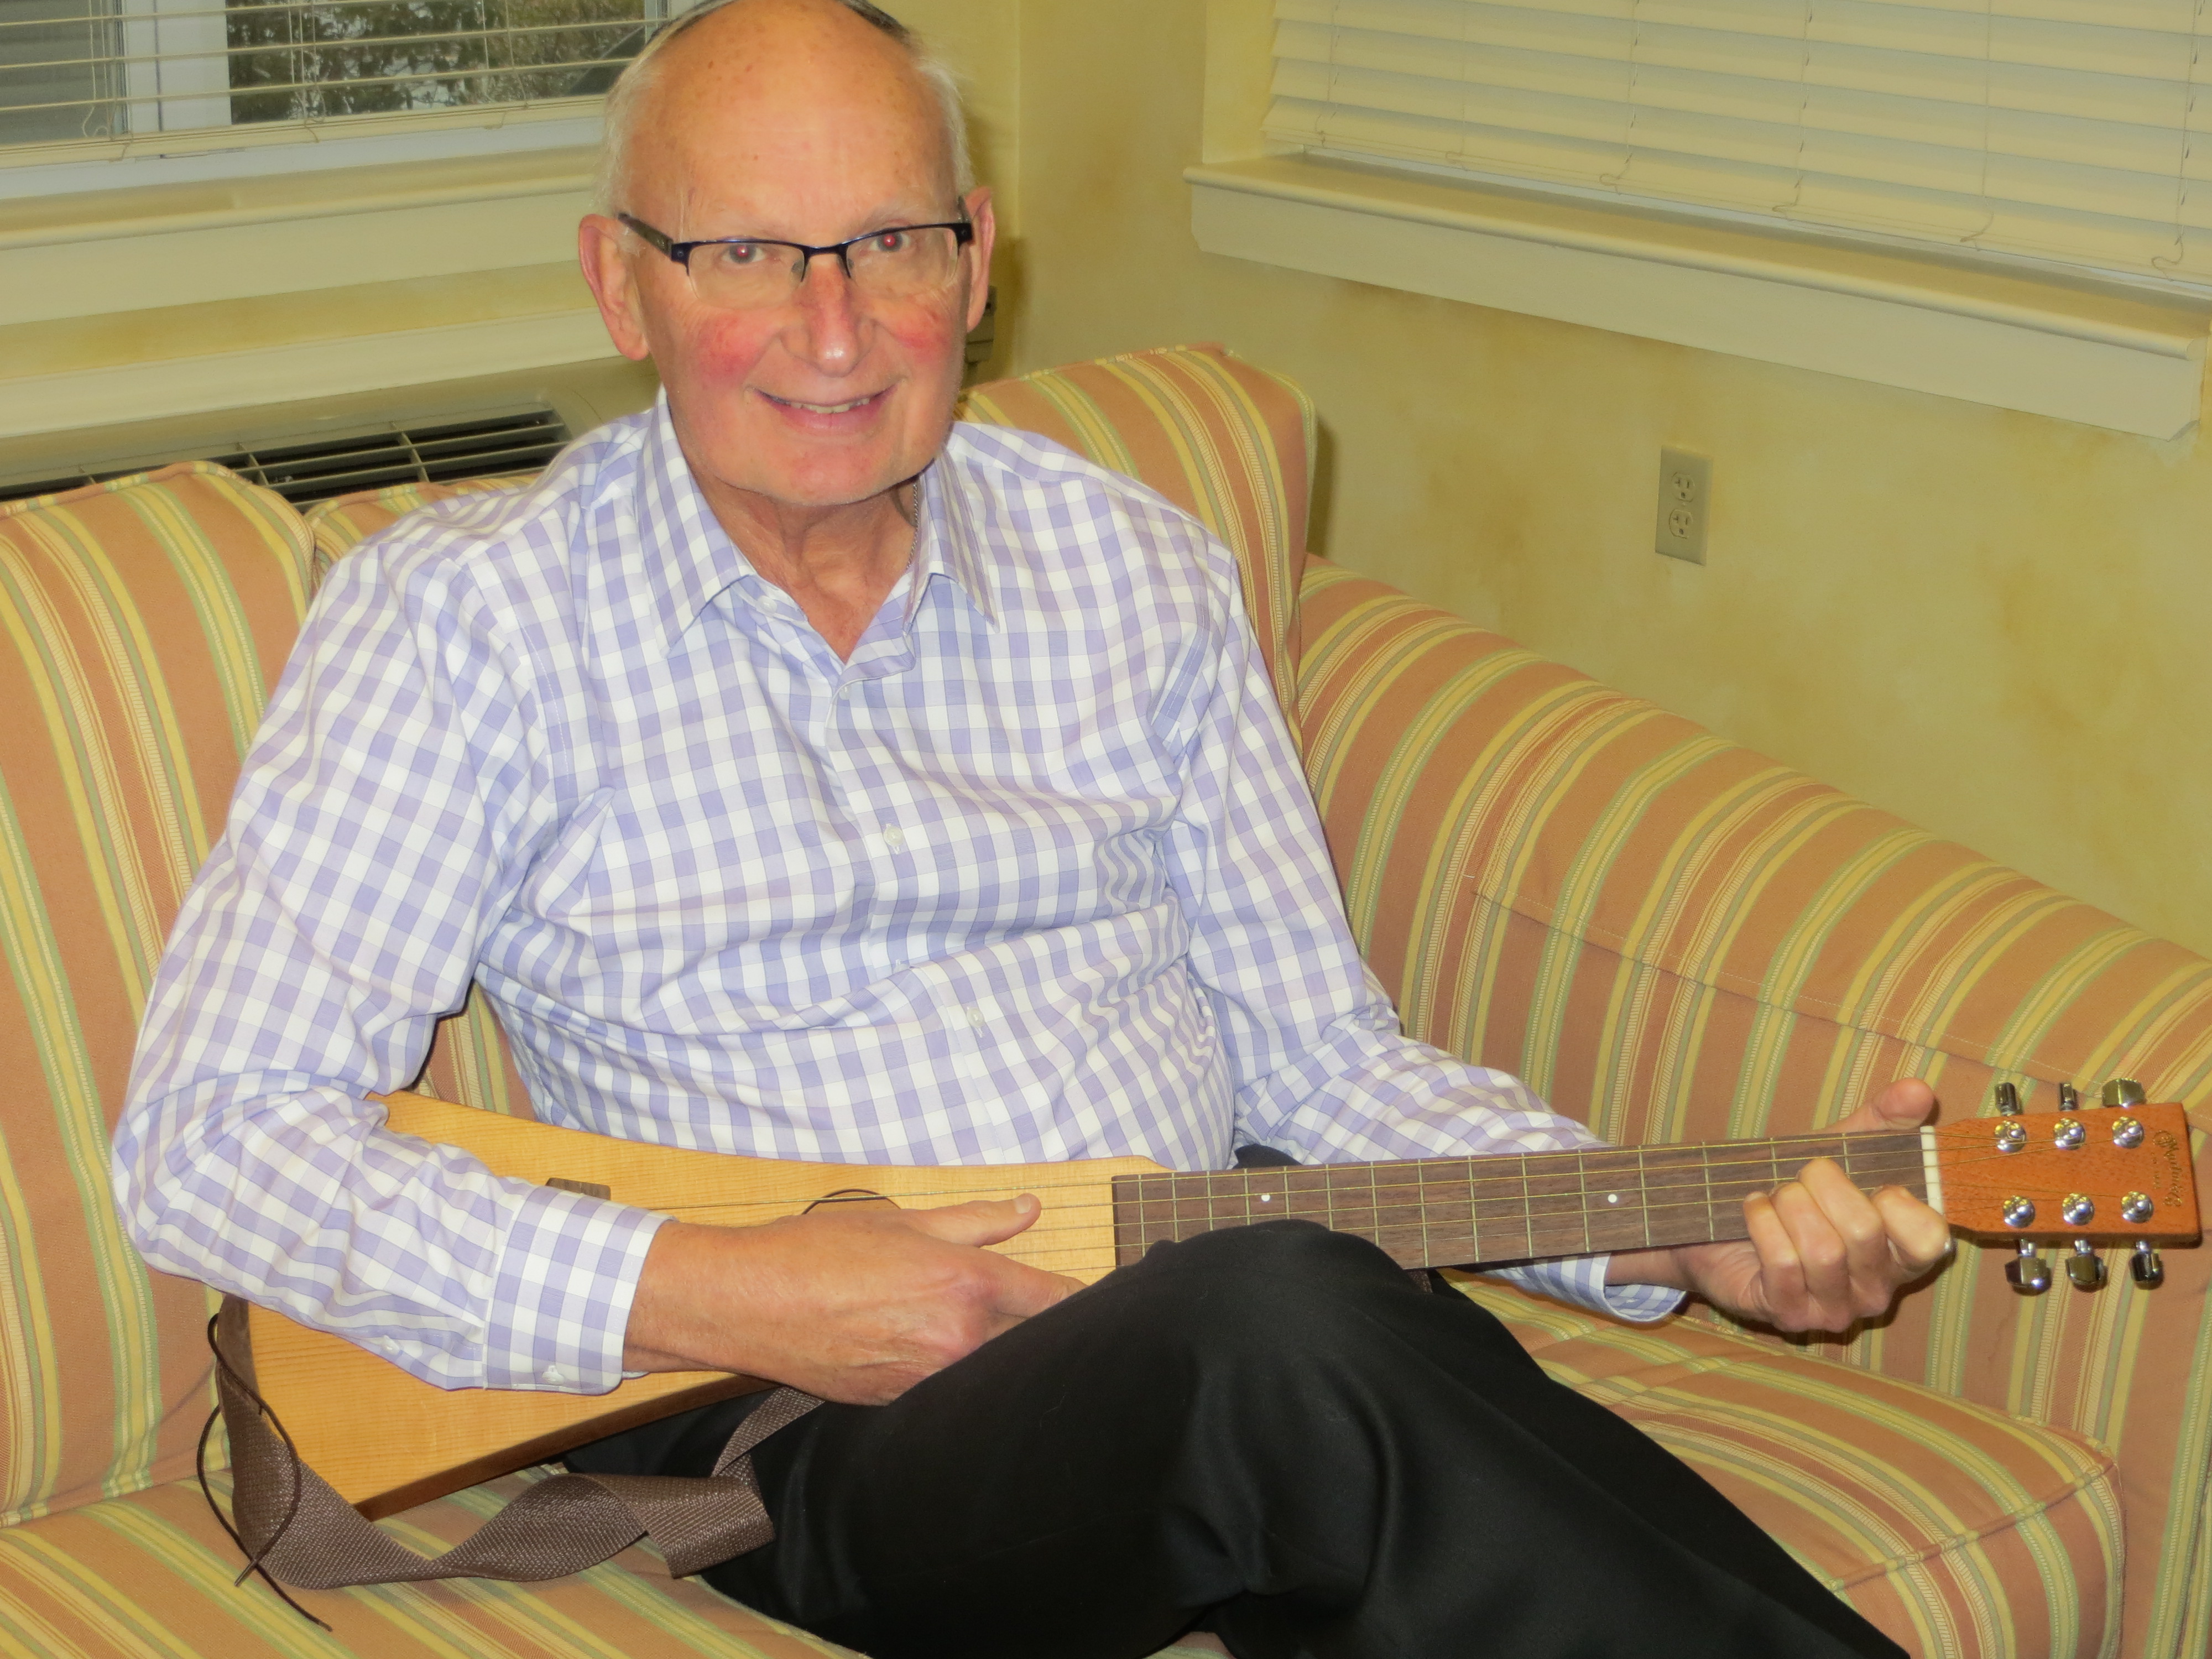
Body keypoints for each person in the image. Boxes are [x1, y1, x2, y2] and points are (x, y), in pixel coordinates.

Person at [114, 1, 1951, 1653]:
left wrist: (1672, 1232)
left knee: (1312, 1365)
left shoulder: (1133, 566)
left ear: (977, 259)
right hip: (824, 1436)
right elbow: (211, 1139)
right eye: (747, 250)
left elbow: (1319, 1060)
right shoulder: (467, 624)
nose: (832, 332)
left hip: (1192, 1333)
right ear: (624, 285)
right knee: (1289, 1336)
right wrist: (718, 1292)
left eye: (892, 244)